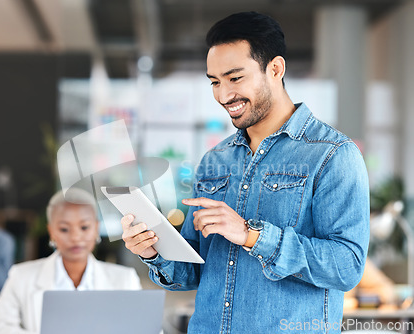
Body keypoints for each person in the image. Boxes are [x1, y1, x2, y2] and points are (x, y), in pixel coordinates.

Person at [121, 11, 370, 333]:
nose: (224, 95)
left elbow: (346, 267)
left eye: (235, 78)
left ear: (275, 69)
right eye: (214, 81)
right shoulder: (215, 159)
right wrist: (154, 251)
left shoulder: (333, 154)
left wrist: (252, 235)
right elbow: (192, 272)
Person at [0, 188, 141, 334]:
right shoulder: (21, 276)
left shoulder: (125, 279)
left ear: (96, 228)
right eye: (64, 229)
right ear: (51, 231)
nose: (75, 237)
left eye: (84, 227)